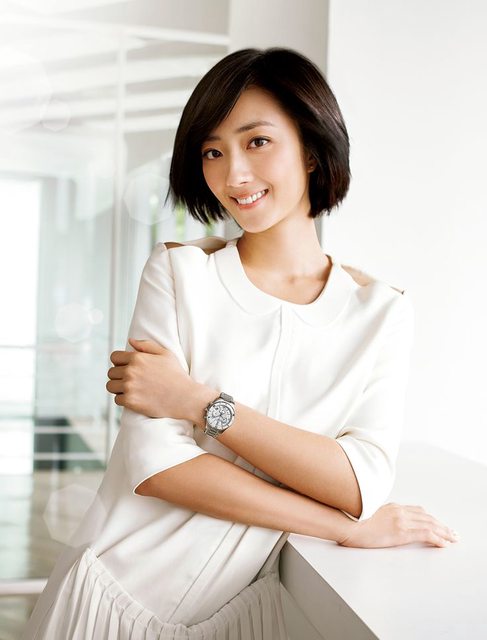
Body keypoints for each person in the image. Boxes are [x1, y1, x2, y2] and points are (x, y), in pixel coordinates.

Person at [23, 47, 458, 640]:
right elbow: (159, 467)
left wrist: (198, 403)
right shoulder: (179, 274)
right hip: (110, 602)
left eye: (257, 142)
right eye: (213, 151)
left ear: (311, 148)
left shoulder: (380, 313)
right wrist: (340, 527)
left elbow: (360, 483)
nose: (234, 176)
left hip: (241, 620)